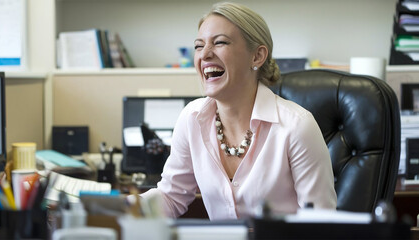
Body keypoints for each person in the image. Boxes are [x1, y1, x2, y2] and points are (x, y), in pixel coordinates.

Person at [141, 2, 337, 220]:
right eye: (198, 46)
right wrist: (124, 207)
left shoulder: (297, 126)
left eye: (220, 42)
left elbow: (320, 223)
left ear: (257, 56)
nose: (204, 54)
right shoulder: (191, 118)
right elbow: (171, 196)